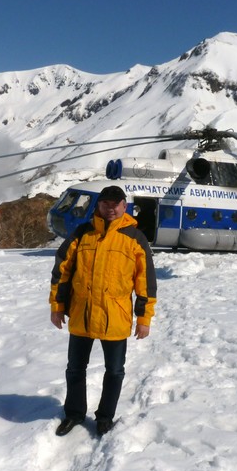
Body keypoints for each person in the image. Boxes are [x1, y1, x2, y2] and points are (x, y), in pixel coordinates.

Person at [49, 185, 157, 437]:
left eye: (115, 204)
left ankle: (105, 417)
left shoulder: (135, 238)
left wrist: (144, 318)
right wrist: (57, 306)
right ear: (98, 205)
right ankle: (74, 413)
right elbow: (62, 271)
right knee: (75, 369)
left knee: (115, 371)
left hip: (115, 316)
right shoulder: (82, 233)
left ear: (124, 206)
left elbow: (145, 282)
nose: (110, 208)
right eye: (105, 203)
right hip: (82, 313)